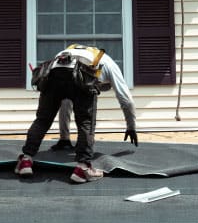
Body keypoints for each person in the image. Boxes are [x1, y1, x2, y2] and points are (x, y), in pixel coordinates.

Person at [15, 45, 105, 183]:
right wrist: (131, 125)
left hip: (54, 73)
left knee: (43, 120)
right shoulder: (107, 62)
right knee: (85, 122)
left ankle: (26, 161)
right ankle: (83, 168)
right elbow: (120, 92)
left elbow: (65, 95)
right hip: (81, 74)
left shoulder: (67, 51)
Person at [51, 51, 138, 151]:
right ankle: (82, 147)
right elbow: (126, 100)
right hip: (67, 64)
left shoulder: (101, 64)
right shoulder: (111, 68)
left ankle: (65, 140)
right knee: (86, 114)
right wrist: (131, 127)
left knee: (65, 97)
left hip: (61, 60)